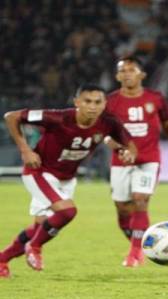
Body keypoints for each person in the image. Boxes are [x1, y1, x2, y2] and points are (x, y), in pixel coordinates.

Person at [0, 84, 136, 278]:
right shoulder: (57, 118)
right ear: (77, 102)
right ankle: (35, 247)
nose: (92, 106)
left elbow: (124, 144)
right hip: (40, 172)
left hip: (66, 178)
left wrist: (125, 152)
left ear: (105, 104)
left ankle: (2, 259)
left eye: (98, 102)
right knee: (67, 211)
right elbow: (11, 117)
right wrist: (25, 150)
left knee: (41, 228)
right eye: (87, 101)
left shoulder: (109, 122)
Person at [105, 56, 168, 267]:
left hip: (148, 159)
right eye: (123, 70)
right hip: (121, 161)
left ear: (142, 74)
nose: (127, 73)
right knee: (123, 208)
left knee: (140, 200)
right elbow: (104, 134)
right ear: (117, 76)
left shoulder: (155, 98)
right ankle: (138, 242)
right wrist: (119, 148)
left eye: (132, 69)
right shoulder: (110, 102)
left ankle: (135, 253)